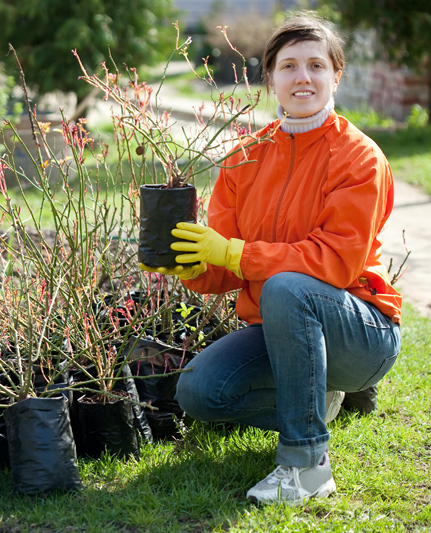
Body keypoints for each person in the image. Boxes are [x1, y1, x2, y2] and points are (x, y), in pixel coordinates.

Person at [140, 12, 402, 506]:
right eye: (289, 66)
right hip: (282, 329)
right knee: (200, 393)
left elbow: (336, 263)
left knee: (286, 284)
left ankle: (306, 464)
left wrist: (237, 253)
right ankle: (316, 400)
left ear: (335, 75)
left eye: (316, 66)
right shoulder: (244, 157)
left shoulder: (359, 158)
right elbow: (222, 265)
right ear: (271, 78)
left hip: (361, 332)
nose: (303, 77)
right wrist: (192, 264)